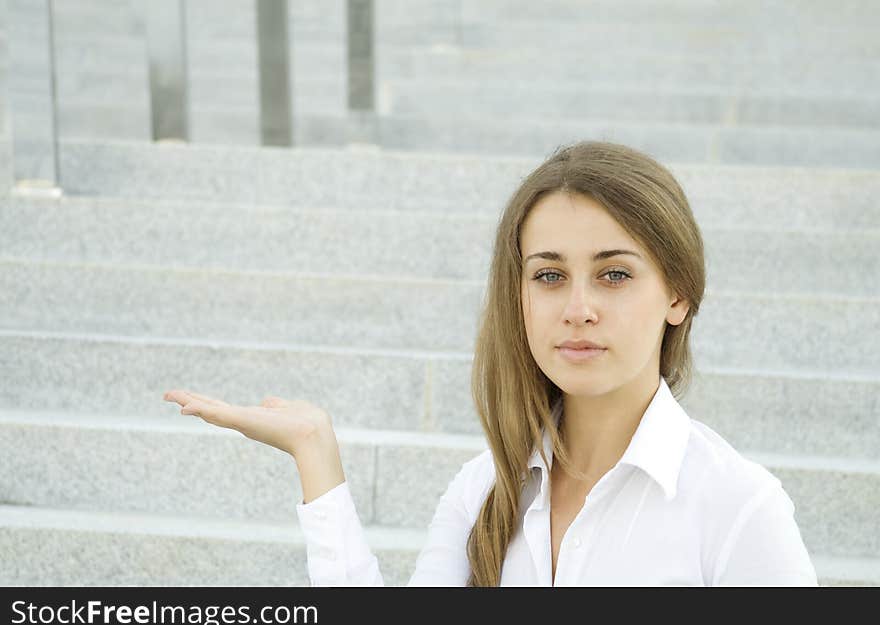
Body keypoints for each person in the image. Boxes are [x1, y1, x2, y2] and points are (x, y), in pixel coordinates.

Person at [163, 140, 818, 587]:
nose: (579, 307)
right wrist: (317, 457)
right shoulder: (482, 490)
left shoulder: (738, 506)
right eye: (549, 275)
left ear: (677, 292)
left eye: (614, 274)